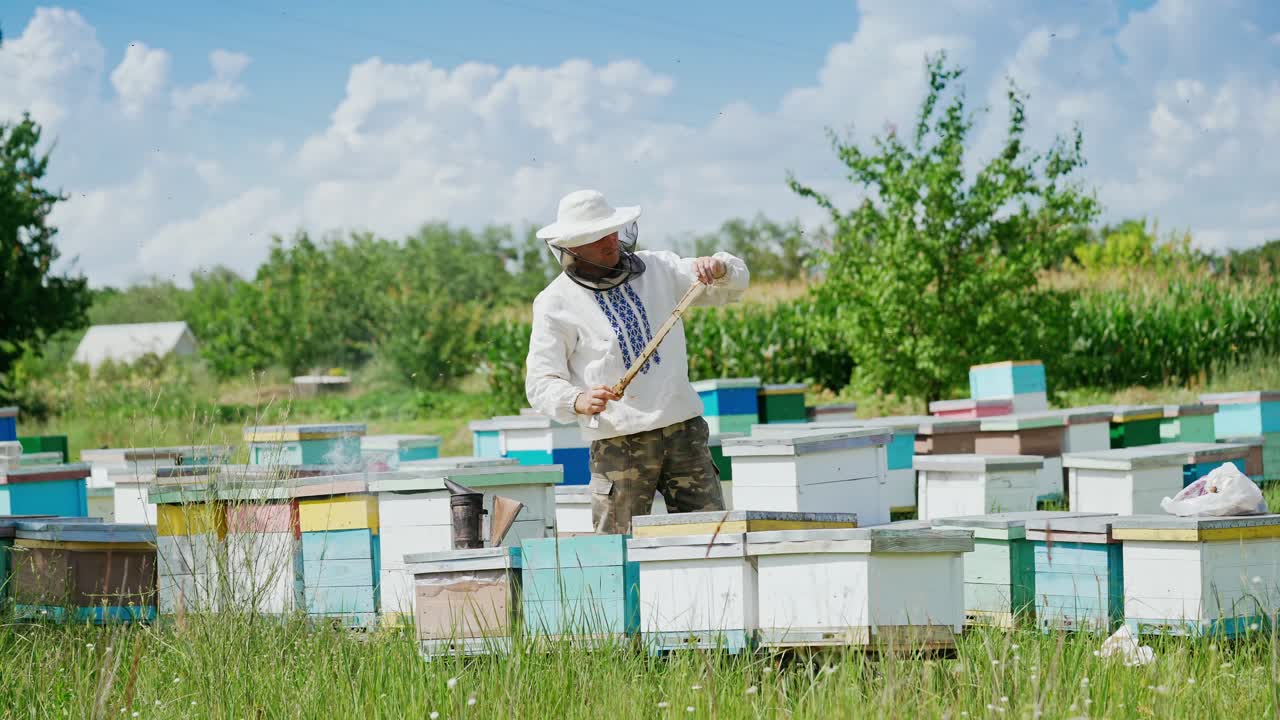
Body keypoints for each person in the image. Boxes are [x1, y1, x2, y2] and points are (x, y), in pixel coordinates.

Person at [525, 189, 750, 535]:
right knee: (618, 550)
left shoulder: (658, 268)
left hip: (683, 431)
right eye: (597, 236)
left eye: (612, 230)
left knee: (710, 538)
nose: (610, 241)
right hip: (619, 443)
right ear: (572, 247)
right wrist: (576, 400)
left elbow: (732, 284)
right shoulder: (554, 303)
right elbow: (540, 381)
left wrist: (718, 266)